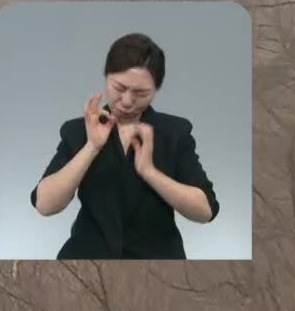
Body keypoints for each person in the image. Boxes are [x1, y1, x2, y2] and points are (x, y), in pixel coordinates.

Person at [29, 32, 219, 260]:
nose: (127, 101)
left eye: (141, 93)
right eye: (119, 88)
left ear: (155, 90)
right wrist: (92, 146)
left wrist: (149, 172)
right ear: (106, 77)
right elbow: (45, 204)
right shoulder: (77, 130)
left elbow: (205, 210)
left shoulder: (175, 133)